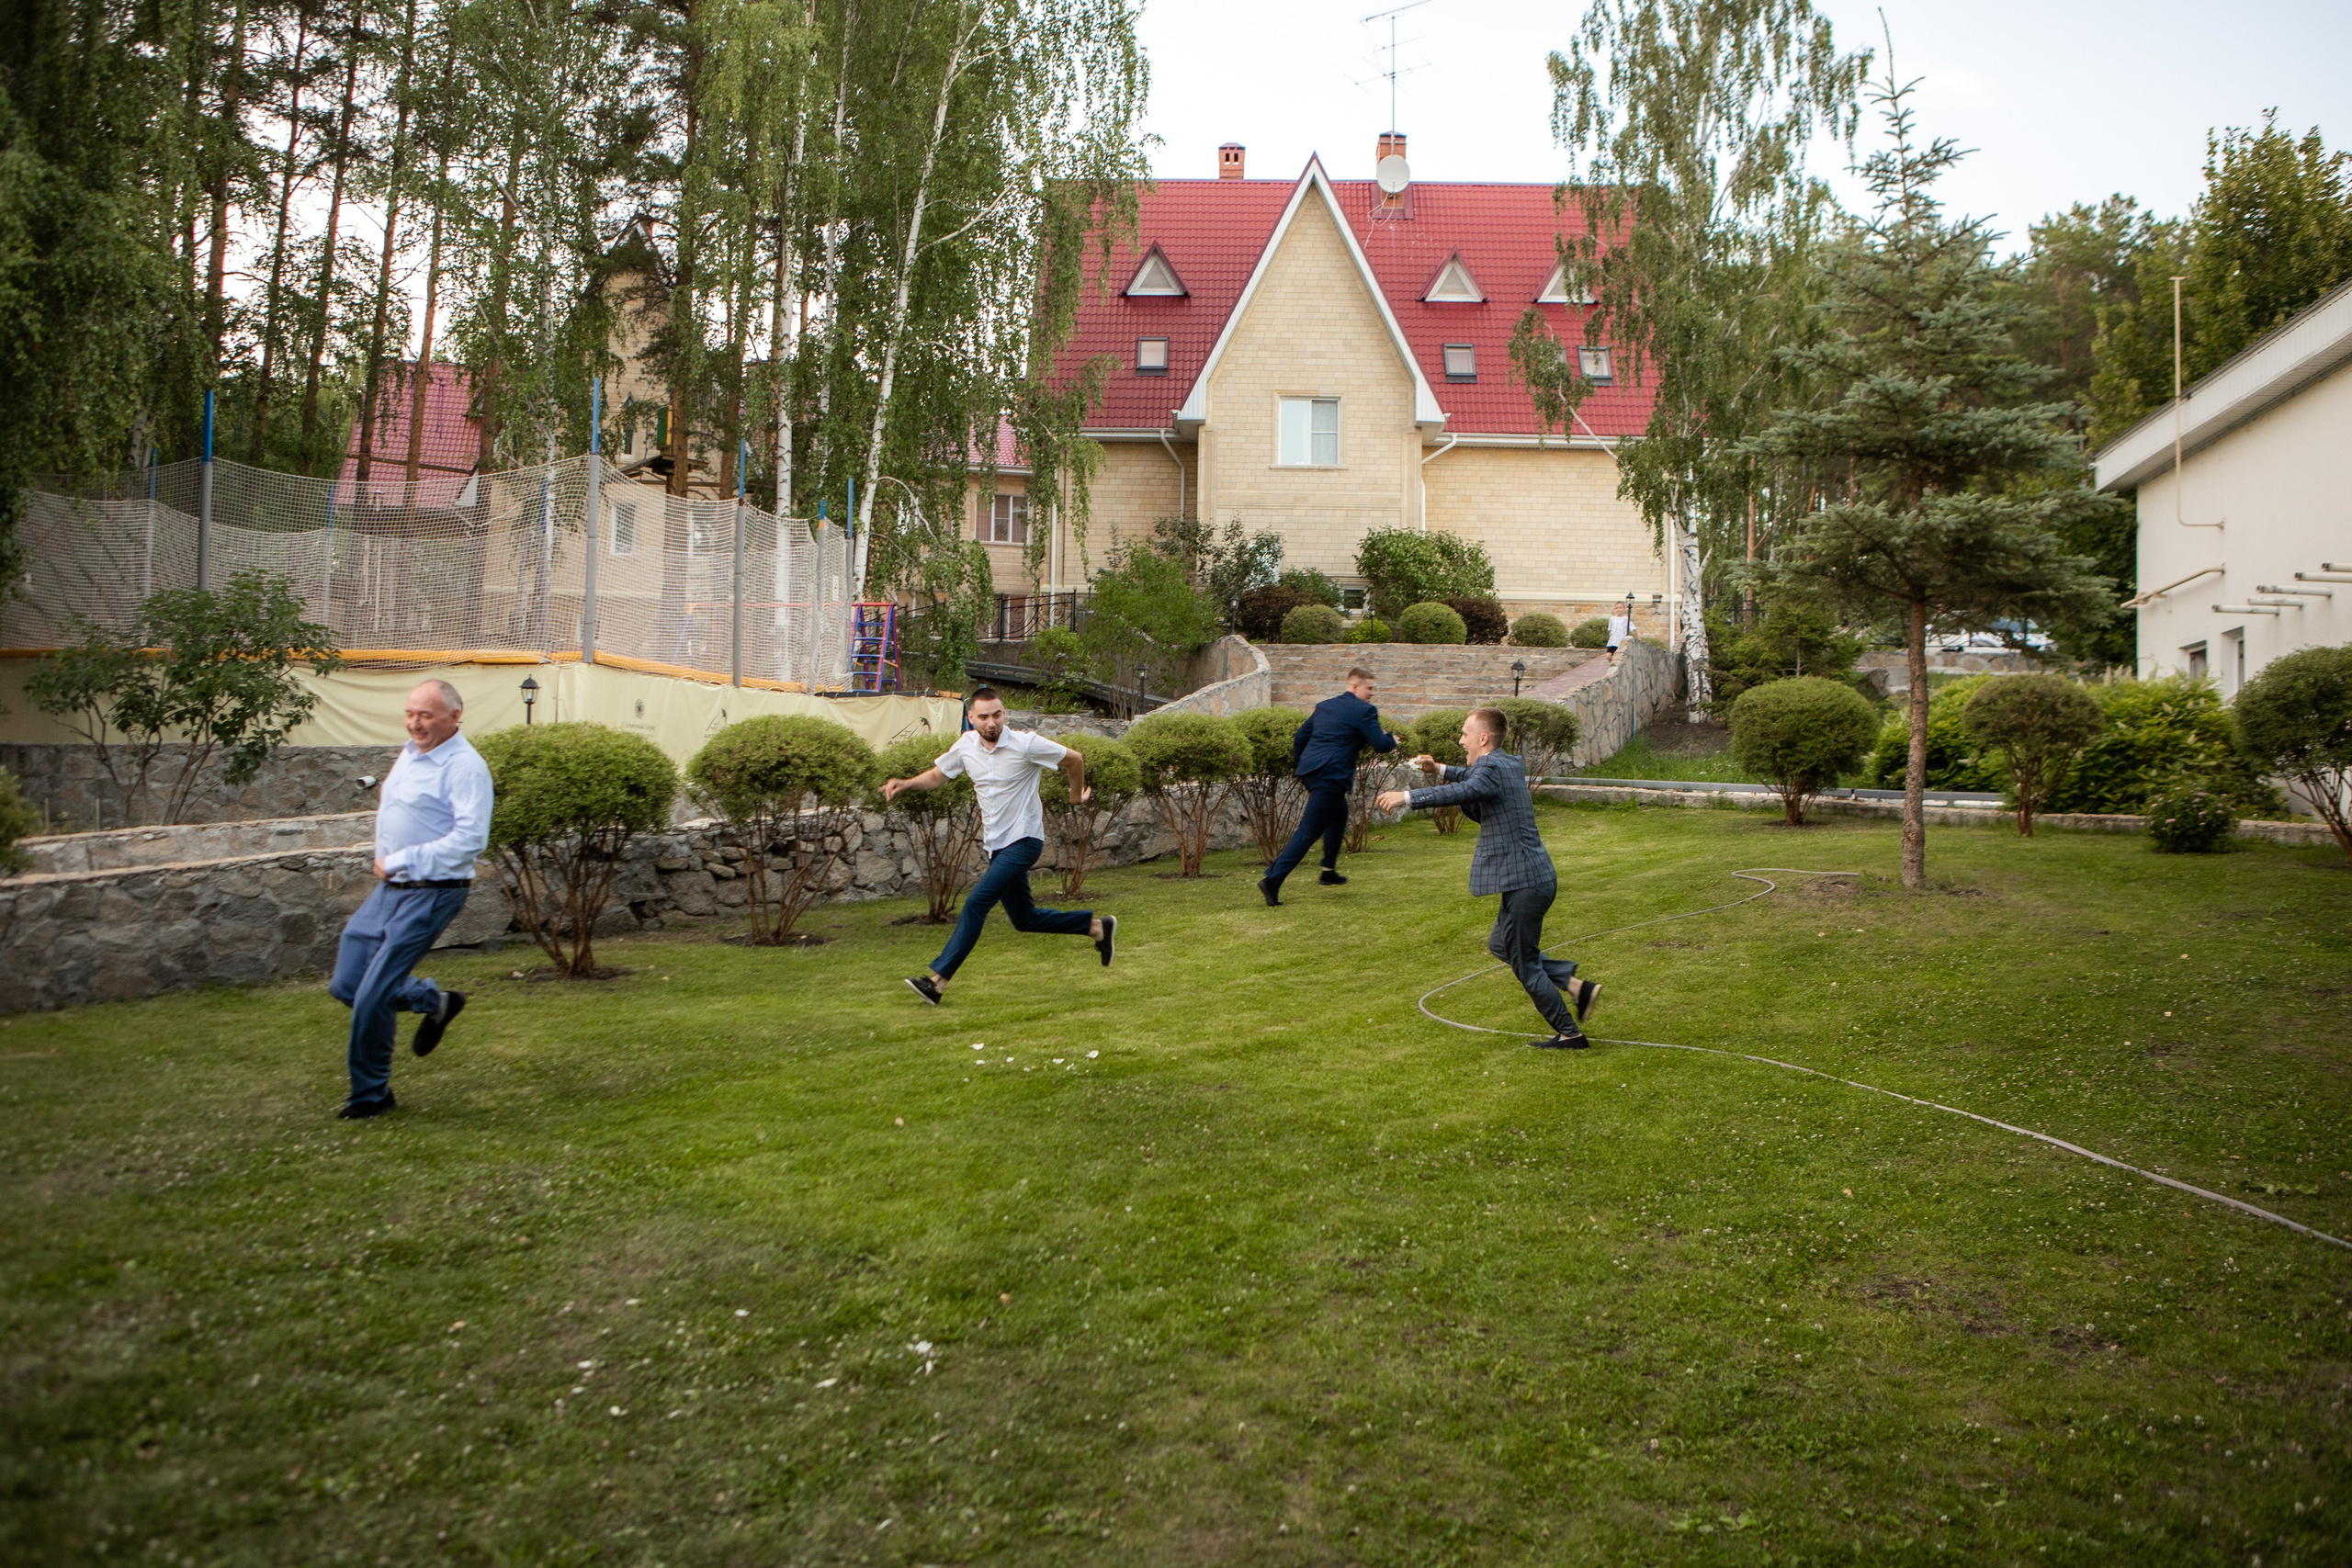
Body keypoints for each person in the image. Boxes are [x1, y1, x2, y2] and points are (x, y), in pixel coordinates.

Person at [1376, 707, 1600, 1049]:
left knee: (1524, 963)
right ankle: (1576, 986)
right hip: (1528, 878)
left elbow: (1465, 790)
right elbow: (1472, 777)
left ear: (1483, 738)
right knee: (1500, 945)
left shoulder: (1492, 769)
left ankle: (1570, 1033)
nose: (1460, 739)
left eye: (1465, 733)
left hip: (1527, 882)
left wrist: (1408, 797)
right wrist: (1440, 769)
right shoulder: (1506, 763)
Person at [885, 687, 1115, 1003]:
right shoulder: (966, 746)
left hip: (1024, 840)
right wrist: (906, 783)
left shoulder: (1026, 744)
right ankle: (1096, 928)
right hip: (997, 846)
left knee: (975, 904)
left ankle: (937, 983)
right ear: (971, 718)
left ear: (1004, 713)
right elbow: (939, 775)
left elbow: (1074, 759)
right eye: (983, 716)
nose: (991, 722)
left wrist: (1075, 798)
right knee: (1025, 919)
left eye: (997, 714)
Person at [330, 678, 493, 1119]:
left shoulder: (464, 767)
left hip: (433, 892)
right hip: (391, 889)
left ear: (454, 717)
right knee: (347, 983)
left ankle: (371, 1096)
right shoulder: (409, 753)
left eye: (425, 715)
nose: (414, 723)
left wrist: (403, 857)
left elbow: (471, 840)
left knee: (373, 994)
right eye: (409, 714)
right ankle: (434, 1002)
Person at [1257, 665, 1397, 907]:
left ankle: (1328, 870)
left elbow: (1300, 737)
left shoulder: (1325, 706)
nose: (1372, 693)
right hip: (1331, 776)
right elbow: (1381, 745)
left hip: (1311, 772)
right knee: (1308, 832)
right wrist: (1392, 738)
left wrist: (1302, 765)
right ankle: (1272, 879)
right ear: (1354, 686)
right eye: (1369, 688)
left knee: (1338, 815)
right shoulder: (1364, 711)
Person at [1606, 600, 1633, 667]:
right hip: (1612, 642)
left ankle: (1617, 667)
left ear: (1624, 609)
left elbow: (1634, 629)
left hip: (1620, 642)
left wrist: (1639, 638)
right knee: (1608, 656)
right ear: (1615, 609)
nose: (1618, 609)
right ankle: (1613, 665)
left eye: (1620, 608)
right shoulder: (1612, 619)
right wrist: (1611, 637)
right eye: (1617, 608)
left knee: (1618, 657)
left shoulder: (1626, 619)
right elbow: (1610, 629)